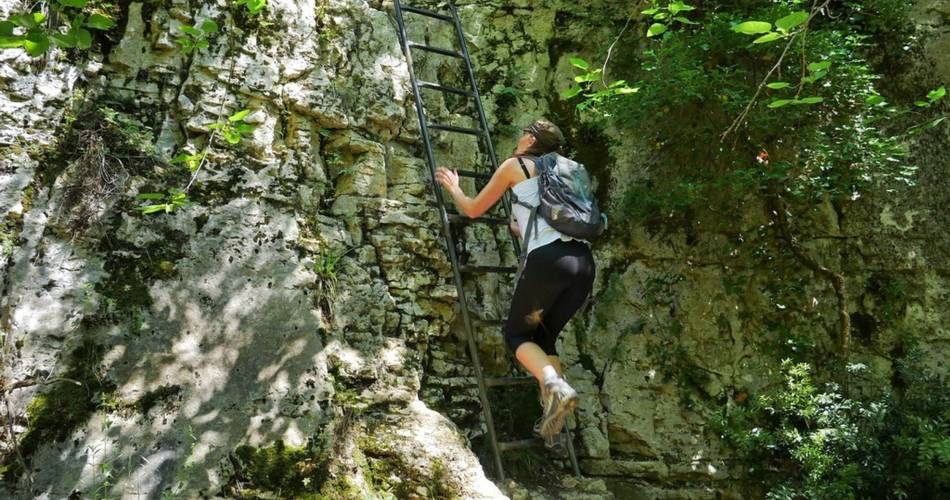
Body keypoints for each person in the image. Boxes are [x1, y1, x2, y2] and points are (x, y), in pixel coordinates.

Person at [434, 118, 596, 449]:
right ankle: (553, 414)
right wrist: (521, 227)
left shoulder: (515, 165)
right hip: (582, 264)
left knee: (517, 335)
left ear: (530, 140)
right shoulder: (566, 172)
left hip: (549, 262)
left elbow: (474, 209)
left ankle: (555, 386)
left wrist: (454, 188)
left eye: (525, 133)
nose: (520, 136)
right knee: (543, 338)